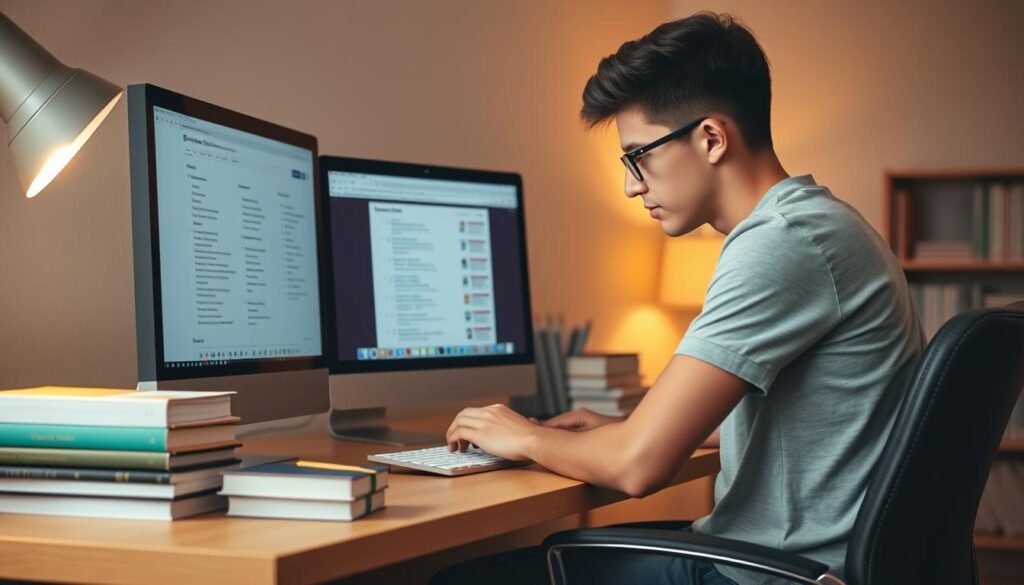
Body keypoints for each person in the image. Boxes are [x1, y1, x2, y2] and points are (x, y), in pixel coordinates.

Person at [434, 12, 924, 585]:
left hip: (773, 573)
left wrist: (525, 435)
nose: (631, 185)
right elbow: (814, 423)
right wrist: (622, 427)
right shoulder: (818, 224)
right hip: (797, 560)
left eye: (638, 155)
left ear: (711, 138)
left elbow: (638, 467)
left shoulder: (783, 242)